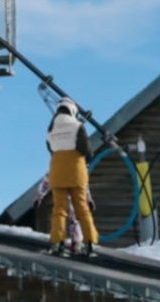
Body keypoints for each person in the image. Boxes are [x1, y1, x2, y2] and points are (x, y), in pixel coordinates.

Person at [46, 97, 99, 257]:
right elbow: (86, 150)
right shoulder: (78, 126)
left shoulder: (51, 128)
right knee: (82, 209)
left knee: (59, 210)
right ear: (72, 110)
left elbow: (50, 148)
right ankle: (90, 244)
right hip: (76, 171)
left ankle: (58, 244)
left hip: (57, 171)